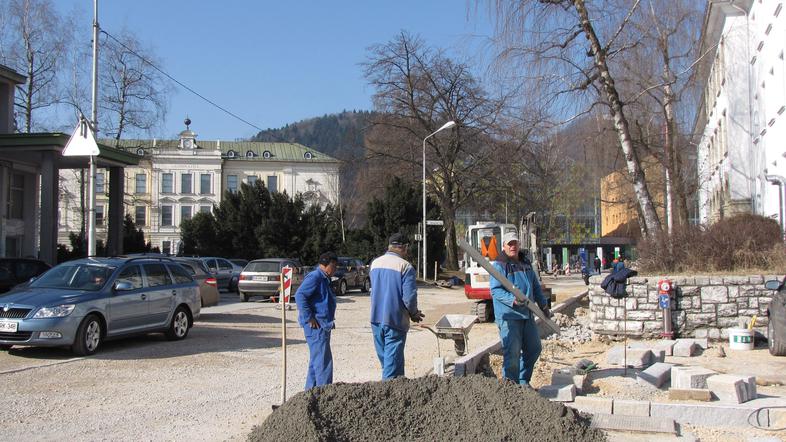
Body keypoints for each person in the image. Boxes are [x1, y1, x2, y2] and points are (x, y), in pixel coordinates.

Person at [489, 232, 549, 386]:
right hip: (509, 316)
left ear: (519, 244)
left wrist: (543, 304)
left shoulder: (525, 263)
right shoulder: (499, 265)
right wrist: (512, 300)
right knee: (512, 353)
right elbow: (495, 290)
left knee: (534, 348)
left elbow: (535, 286)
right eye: (509, 244)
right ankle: (511, 386)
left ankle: (523, 380)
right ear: (504, 246)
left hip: (527, 315)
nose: (512, 246)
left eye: (515, 243)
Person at [369, 232, 423, 380]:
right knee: (391, 367)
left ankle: (398, 390)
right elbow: (409, 298)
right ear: (403, 247)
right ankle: (387, 398)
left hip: (376, 319)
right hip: (394, 321)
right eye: (406, 248)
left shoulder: (375, 264)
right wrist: (414, 313)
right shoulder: (405, 267)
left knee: (389, 362)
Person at [295, 251, 338, 389]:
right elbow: (300, 295)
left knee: (316, 361)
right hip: (316, 326)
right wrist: (309, 318)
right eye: (334, 266)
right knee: (323, 362)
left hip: (323, 324)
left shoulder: (324, 278)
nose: (335, 269)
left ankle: (311, 393)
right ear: (325, 265)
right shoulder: (315, 277)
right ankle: (324, 394)